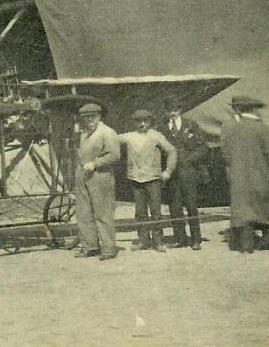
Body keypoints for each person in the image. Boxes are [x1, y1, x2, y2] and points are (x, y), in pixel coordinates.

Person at [220, 96, 269, 253]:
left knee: (245, 211)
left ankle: (246, 246)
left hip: (240, 178)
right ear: (253, 110)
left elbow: (226, 154)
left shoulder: (230, 128)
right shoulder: (261, 128)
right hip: (262, 176)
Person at [119, 109, 177, 252]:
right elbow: (111, 138)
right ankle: (143, 240)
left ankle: (158, 241)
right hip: (136, 179)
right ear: (134, 123)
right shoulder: (129, 136)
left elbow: (172, 151)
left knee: (156, 211)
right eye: (139, 121)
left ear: (150, 122)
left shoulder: (156, 136)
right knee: (140, 212)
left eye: (145, 121)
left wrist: (168, 171)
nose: (142, 124)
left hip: (153, 179)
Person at [158, 101, 209, 250]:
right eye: (169, 110)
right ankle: (179, 238)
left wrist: (189, 159)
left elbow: (203, 148)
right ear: (166, 111)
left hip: (189, 172)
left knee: (192, 205)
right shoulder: (161, 128)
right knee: (174, 206)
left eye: (175, 110)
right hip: (171, 174)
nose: (173, 113)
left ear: (180, 109)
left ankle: (195, 239)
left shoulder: (191, 125)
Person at [74, 102, 121, 260]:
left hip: (100, 176)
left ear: (99, 116)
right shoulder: (84, 133)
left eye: (92, 117)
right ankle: (90, 246)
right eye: (86, 117)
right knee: (83, 212)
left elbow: (114, 155)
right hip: (83, 176)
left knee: (103, 213)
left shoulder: (107, 132)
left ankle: (108, 248)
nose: (89, 120)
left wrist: (95, 164)